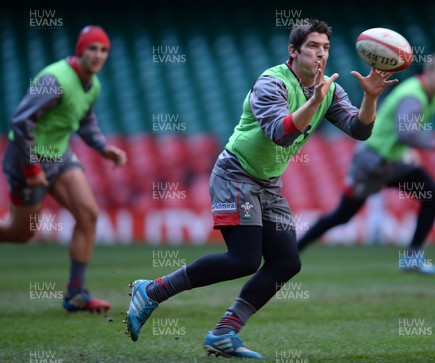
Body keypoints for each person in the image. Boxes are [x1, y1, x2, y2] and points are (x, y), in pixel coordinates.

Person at [125, 18, 397, 359]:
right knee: (244, 259)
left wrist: (370, 98)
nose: (320, 55)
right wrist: (314, 102)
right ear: (293, 51)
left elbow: (360, 131)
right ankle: (151, 290)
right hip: (236, 174)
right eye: (313, 46)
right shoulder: (272, 83)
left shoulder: (329, 89)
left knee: (286, 262)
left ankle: (224, 332)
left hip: (268, 184)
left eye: (325, 48)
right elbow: (280, 132)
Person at [297, 52, 435, 275]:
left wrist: (410, 150)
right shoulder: (413, 95)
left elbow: (404, 133)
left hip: (392, 162)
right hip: (371, 162)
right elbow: (406, 133)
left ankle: (412, 257)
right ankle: (293, 250)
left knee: (433, 196)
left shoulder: (432, 96)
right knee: (342, 215)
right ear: (428, 73)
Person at [0, 26, 126, 312]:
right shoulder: (54, 80)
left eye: (103, 49)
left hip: (59, 157)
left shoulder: (92, 84)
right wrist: (31, 168)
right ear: (80, 51)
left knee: (89, 214)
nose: (98, 54)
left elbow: (84, 120)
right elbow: (20, 122)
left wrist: (103, 147)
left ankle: (75, 294)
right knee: (21, 233)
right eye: (92, 48)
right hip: (26, 160)